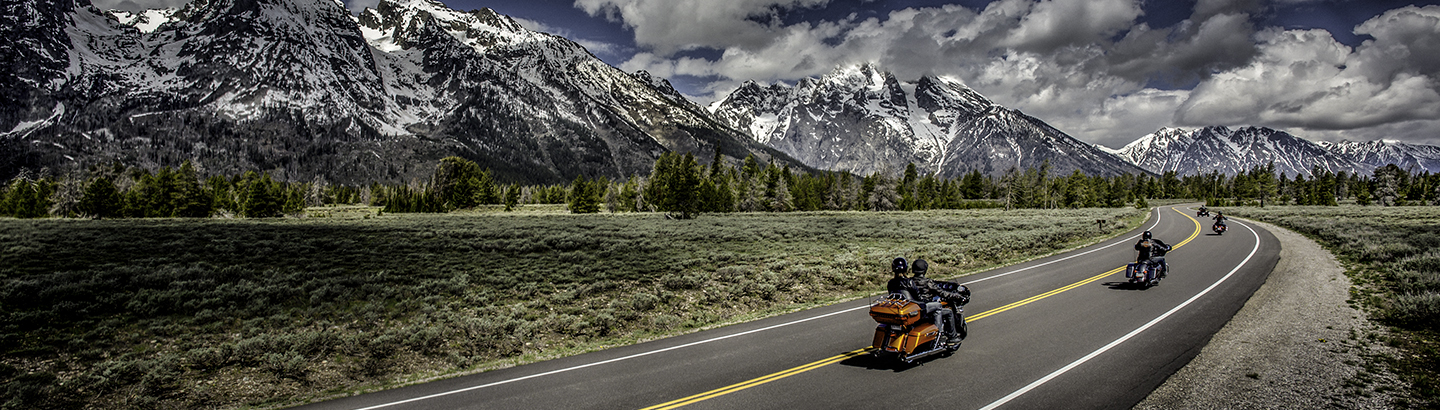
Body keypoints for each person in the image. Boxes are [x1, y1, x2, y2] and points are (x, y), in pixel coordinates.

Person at [910, 259, 969, 344]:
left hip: (915, 309)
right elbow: (942, 293)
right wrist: (958, 296)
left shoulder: (910, 282)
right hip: (927, 308)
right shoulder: (928, 282)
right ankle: (952, 336)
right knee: (948, 312)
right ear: (925, 269)